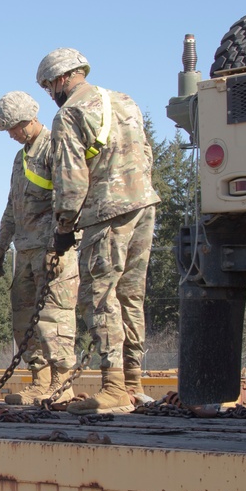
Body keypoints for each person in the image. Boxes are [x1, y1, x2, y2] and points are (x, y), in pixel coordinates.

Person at [36, 48, 160, 414]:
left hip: (107, 212)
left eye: (48, 87)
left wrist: (63, 227)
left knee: (101, 296)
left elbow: (70, 180)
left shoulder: (70, 113)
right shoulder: (124, 101)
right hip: (143, 204)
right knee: (131, 297)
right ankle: (135, 382)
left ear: (59, 79)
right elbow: (147, 153)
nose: (50, 94)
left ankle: (114, 386)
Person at [0, 91, 78, 406]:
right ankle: (40, 380)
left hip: (52, 248)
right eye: (8, 131)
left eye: (14, 128)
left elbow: (68, 197)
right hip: (24, 252)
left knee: (54, 315)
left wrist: (59, 241)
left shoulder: (55, 147)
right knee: (24, 317)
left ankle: (61, 383)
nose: (12, 135)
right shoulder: (21, 157)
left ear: (28, 118)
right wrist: (0, 247)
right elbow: (12, 206)